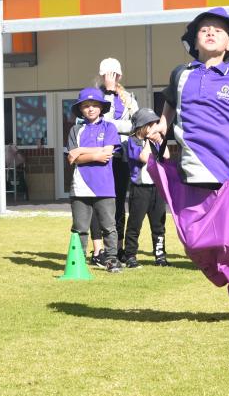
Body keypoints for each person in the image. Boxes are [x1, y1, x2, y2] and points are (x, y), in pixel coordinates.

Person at [151, 7, 229, 187]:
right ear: (195, 42)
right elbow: (171, 100)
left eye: (218, 30)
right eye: (204, 30)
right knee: (192, 215)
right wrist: (163, 123)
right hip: (190, 168)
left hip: (228, 169)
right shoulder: (181, 74)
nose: (210, 32)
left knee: (227, 216)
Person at [89, 57, 139, 267]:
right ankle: (98, 249)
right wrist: (108, 93)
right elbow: (102, 123)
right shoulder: (95, 97)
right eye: (108, 74)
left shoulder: (128, 98)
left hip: (121, 156)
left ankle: (117, 248)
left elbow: (136, 125)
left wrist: (117, 125)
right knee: (98, 202)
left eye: (115, 75)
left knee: (119, 202)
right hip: (101, 155)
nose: (112, 78)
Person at [67, 87, 122, 273]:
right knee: (79, 228)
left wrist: (81, 150)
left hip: (105, 186)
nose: (90, 109)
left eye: (94, 105)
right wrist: (94, 154)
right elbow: (72, 159)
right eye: (86, 106)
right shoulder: (76, 130)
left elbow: (107, 154)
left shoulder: (109, 127)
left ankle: (112, 260)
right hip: (80, 186)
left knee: (109, 226)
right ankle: (78, 262)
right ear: (80, 109)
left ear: (101, 108)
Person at [123, 108, 170, 268]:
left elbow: (167, 155)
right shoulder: (133, 141)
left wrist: (161, 140)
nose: (154, 126)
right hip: (140, 189)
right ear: (142, 126)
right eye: (151, 124)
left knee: (159, 225)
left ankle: (160, 256)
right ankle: (130, 256)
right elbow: (143, 157)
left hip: (156, 188)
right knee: (135, 224)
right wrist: (150, 141)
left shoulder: (155, 141)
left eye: (155, 123)